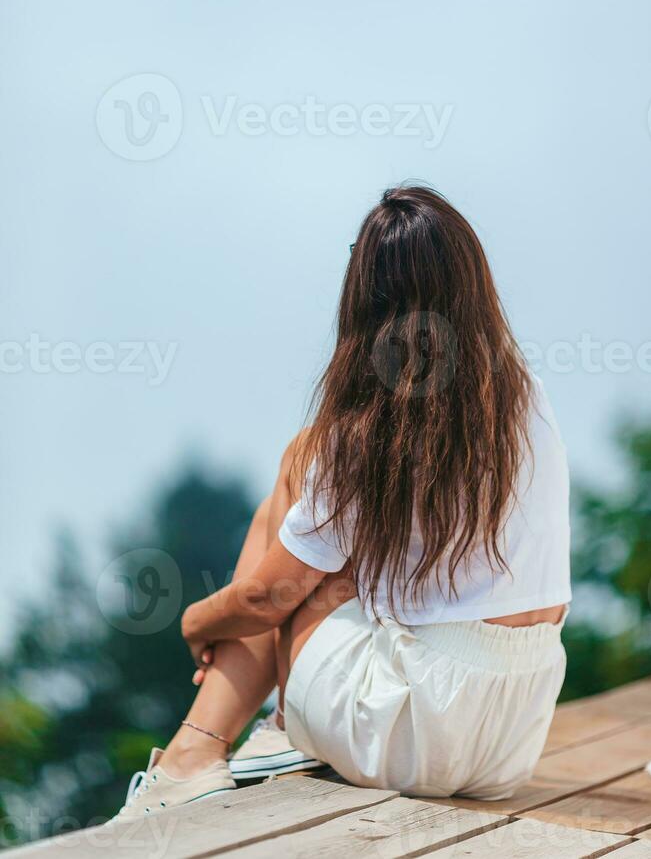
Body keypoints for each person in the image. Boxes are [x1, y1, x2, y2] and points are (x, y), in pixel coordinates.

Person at [114, 186, 571, 821]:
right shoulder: (528, 400)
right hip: (511, 744)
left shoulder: (358, 436)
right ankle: (276, 732)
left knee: (298, 472)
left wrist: (195, 623)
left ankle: (194, 758)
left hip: (417, 736)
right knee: (338, 550)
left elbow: (264, 599)